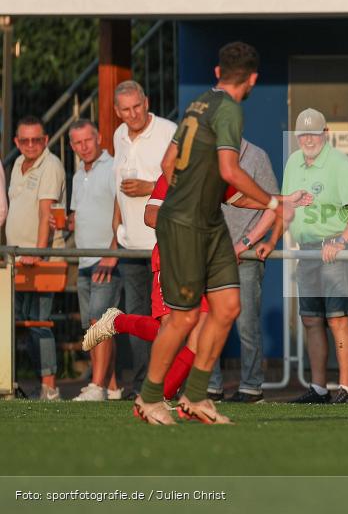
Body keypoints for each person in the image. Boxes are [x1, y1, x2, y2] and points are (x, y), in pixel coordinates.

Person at [135, 41, 288, 425]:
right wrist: (272, 203)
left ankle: (196, 397)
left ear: (218, 72)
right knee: (185, 319)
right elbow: (229, 171)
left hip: (208, 222)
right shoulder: (231, 109)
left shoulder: (199, 103)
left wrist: (199, 195)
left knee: (227, 307)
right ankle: (149, 399)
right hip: (187, 225)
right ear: (253, 79)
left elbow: (170, 163)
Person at [83, 174, 309, 408]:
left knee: (199, 337)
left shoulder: (215, 174)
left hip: (201, 264)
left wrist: (286, 199)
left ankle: (160, 398)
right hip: (171, 261)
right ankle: (118, 323)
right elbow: (150, 216)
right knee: (172, 331)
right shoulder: (174, 175)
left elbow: (245, 199)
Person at [283, 108, 348, 404]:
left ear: (325, 133)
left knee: (337, 320)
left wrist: (342, 242)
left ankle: (346, 389)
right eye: (303, 134)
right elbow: (285, 209)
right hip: (306, 251)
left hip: (333, 251)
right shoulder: (294, 161)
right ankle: (319, 388)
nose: (308, 139)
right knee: (310, 320)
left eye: (314, 133)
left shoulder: (338, 161)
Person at [108, 80, 177, 395]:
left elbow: (183, 180)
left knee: (171, 321)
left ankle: (170, 384)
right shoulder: (118, 135)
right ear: (116, 111)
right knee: (138, 320)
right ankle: (139, 384)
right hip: (130, 244)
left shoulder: (168, 131)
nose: (133, 114)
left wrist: (149, 187)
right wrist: (115, 236)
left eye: (137, 106)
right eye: (125, 109)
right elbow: (118, 193)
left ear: (147, 101)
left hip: (162, 246)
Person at [207, 139, 280, 404]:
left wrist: (244, 244)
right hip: (212, 255)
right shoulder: (206, 154)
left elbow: (273, 208)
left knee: (246, 323)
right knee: (209, 322)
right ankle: (211, 387)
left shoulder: (257, 156)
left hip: (246, 256)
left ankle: (251, 388)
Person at [7, 116, 66, 400]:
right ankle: (25, 383)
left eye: (37, 140)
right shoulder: (17, 164)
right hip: (18, 261)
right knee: (21, 324)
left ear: (46, 139)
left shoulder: (51, 165)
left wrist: (38, 253)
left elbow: (46, 214)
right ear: (16, 142)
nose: (31, 145)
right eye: (25, 140)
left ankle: (49, 387)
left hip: (39, 261)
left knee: (39, 323)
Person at [67, 120, 123, 401]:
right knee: (94, 326)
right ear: (71, 145)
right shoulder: (78, 175)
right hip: (83, 260)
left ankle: (97, 386)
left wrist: (112, 253)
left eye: (87, 140)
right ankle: (112, 387)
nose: (83, 147)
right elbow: (79, 215)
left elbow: (122, 210)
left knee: (99, 322)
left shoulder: (114, 167)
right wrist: (67, 223)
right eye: (77, 143)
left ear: (99, 136)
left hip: (107, 258)